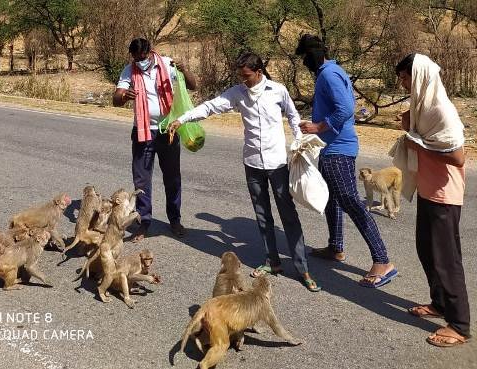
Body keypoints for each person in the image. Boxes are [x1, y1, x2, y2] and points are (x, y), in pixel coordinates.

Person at [169, 52, 321, 292]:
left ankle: (302, 268)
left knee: (288, 215)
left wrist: (299, 140)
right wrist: (182, 119)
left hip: (278, 163)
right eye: (240, 75)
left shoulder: (277, 90)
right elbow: (211, 107)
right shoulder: (238, 92)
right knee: (262, 216)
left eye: (246, 75)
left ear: (258, 72)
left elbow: (293, 115)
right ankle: (272, 261)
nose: (243, 80)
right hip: (252, 163)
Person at [295, 34, 397, 288]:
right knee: (332, 199)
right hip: (331, 147)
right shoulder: (332, 72)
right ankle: (335, 247)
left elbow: (345, 109)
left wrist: (318, 126)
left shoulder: (329, 74)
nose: (304, 62)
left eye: (305, 57)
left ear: (313, 55)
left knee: (351, 202)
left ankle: (382, 260)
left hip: (338, 149)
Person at [394, 53, 470, 347]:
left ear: (420, 76)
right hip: (428, 189)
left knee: (446, 260)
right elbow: (416, 132)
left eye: (404, 77)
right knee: (426, 251)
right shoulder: (422, 103)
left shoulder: (442, 110)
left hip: (445, 194)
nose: (401, 83)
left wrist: (419, 145)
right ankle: (439, 304)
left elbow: (458, 156)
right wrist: (408, 125)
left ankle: (460, 325)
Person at [113, 38, 197, 242]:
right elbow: (115, 100)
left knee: (172, 178)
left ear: (151, 52)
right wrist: (124, 96)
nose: (140, 61)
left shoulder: (167, 64)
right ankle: (144, 223)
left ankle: (175, 220)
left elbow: (193, 85)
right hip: (143, 132)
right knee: (141, 180)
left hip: (168, 130)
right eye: (136, 58)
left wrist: (184, 69)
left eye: (143, 57)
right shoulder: (129, 70)